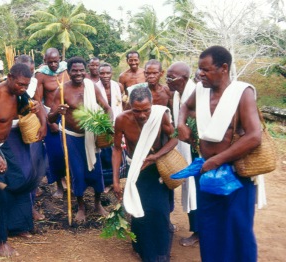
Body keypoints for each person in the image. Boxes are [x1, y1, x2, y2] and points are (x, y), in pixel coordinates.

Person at [177, 46, 261, 262]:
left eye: (206, 70)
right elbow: (185, 106)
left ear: (224, 68)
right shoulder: (201, 90)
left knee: (238, 229)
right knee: (210, 228)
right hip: (207, 172)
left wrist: (217, 160)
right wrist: (181, 124)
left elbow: (253, 136)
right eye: (199, 69)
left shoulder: (242, 93)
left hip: (236, 174)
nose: (200, 74)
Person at [0, 63, 46, 257]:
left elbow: (31, 109)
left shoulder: (19, 94)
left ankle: (17, 226)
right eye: (20, 84)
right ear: (10, 77)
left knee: (19, 182)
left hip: (3, 147)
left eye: (26, 85)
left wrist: (38, 112)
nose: (23, 88)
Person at [112, 86, 176, 261]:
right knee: (140, 212)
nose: (142, 115)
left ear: (152, 105)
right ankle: (144, 251)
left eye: (146, 110)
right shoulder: (121, 120)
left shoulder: (160, 115)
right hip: (136, 172)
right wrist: (116, 180)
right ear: (129, 106)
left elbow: (175, 138)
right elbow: (117, 150)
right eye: (136, 110)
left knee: (160, 212)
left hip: (157, 169)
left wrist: (155, 156)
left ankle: (162, 254)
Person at [48, 56, 112, 222]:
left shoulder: (92, 87)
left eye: (81, 70)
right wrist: (58, 112)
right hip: (72, 138)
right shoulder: (62, 90)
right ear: (68, 72)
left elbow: (107, 108)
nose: (78, 73)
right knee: (77, 172)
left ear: (86, 71)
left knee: (96, 171)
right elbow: (50, 118)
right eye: (74, 70)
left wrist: (107, 126)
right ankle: (81, 206)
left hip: (92, 136)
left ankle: (98, 204)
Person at [166, 61, 199, 247]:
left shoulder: (195, 95)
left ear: (184, 79)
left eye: (171, 77)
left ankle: (199, 231)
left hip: (196, 151)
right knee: (190, 189)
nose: (167, 80)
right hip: (187, 148)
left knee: (197, 191)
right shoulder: (178, 94)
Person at [14, 54, 46, 221]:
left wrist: (43, 124)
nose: (30, 76)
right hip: (12, 133)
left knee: (31, 171)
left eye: (32, 72)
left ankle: (30, 207)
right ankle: (22, 212)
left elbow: (37, 103)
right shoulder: (6, 87)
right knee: (19, 173)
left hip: (29, 130)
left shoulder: (34, 82)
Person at [34, 48, 70, 198]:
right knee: (55, 153)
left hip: (68, 116)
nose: (54, 65)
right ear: (45, 61)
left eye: (56, 61)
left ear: (60, 58)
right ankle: (59, 186)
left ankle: (72, 182)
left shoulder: (67, 71)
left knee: (69, 151)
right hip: (51, 115)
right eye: (50, 62)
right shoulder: (41, 75)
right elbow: (38, 101)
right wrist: (50, 122)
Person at [96, 63, 126, 188]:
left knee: (118, 150)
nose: (105, 76)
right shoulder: (94, 87)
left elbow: (122, 104)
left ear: (112, 73)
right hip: (102, 125)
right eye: (102, 73)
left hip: (117, 123)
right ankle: (107, 182)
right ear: (98, 74)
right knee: (105, 153)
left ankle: (117, 180)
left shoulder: (118, 86)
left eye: (107, 73)